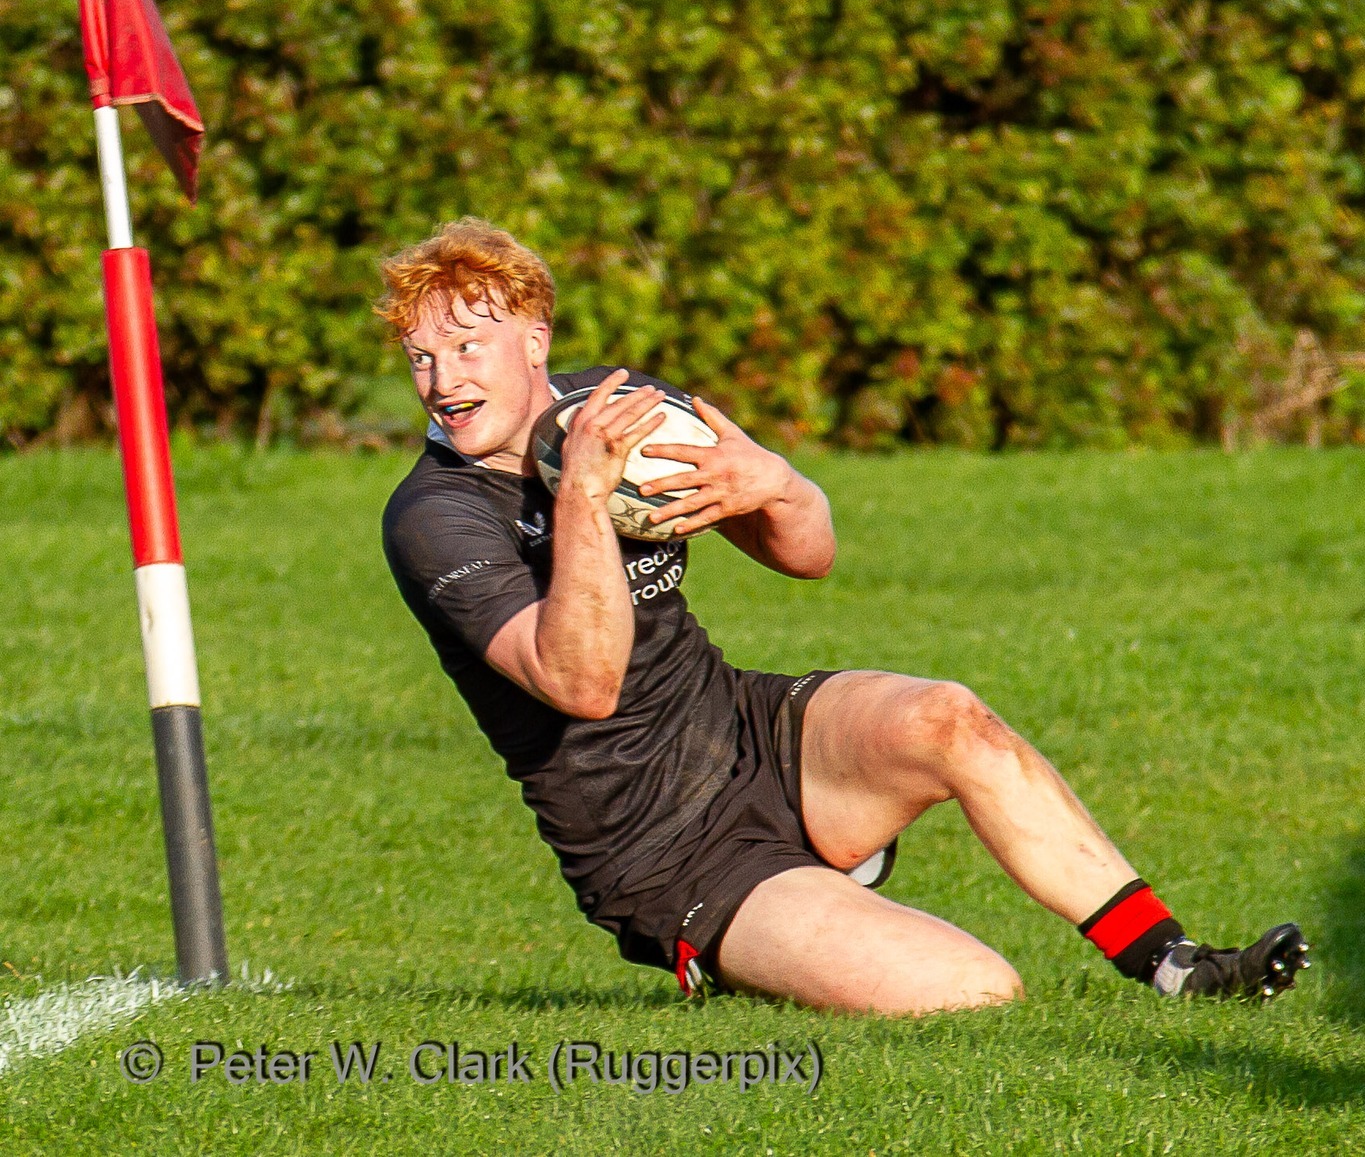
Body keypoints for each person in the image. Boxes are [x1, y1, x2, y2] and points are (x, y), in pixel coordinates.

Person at [379, 218, 1309, 1015]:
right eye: (421, 356)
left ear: (534, 340)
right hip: (659, 849)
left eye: (467, 346)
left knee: (950, 718)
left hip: (746, 728)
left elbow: (806, 553)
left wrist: (778, 484)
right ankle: (755, 943)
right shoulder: (434, 516)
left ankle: (1176, 965)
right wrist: (582, 495)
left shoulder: (620, 409)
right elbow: (583, 685)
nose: (442, 379)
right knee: (976, 991)